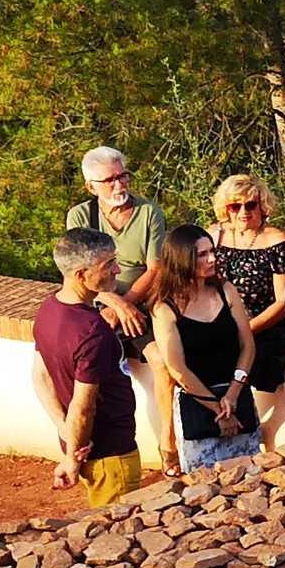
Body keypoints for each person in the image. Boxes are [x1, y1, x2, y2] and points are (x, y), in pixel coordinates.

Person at [65, 146, 168, 460]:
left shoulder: (149, 212)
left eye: (123, 176)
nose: (119, 185)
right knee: (87, 372)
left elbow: (155, 268)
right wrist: (115, 306)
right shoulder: (81, 216)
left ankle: (168, 445)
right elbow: (79, 274)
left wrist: (126, 304)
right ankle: (82, 444)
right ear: (91, 187)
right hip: (100, 303)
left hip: (141, 301)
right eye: (110, 180)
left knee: (162, 365)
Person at [29, 228, 145, 505]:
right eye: (108, 265)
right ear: (81, 275)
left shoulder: (48, 310)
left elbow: (40, 377)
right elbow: (83, 407)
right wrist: (71, 458)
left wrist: (65, 433)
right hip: (112, 454)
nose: (117, 269)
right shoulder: (93, 332)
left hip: (84, 448)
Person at [149, 226, 261, 473]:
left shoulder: (226, 290)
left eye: (212, 251)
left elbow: (247, 345)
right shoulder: (165, 308)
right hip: (197, 405)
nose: (211, 259)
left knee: (251, 478)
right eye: (201, 254)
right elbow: (177, 369)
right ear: (181, 259)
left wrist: (232, 395)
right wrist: (220, 410)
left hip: (236, 394)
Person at [207, 174, 285, 443]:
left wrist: (245, 331)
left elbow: (283, 301)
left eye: (250, 205)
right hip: (218, 326)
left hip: (266, 330)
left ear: (263, 205)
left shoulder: (277, 241)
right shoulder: (212, 236)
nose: (243, 212)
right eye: (234, 206)